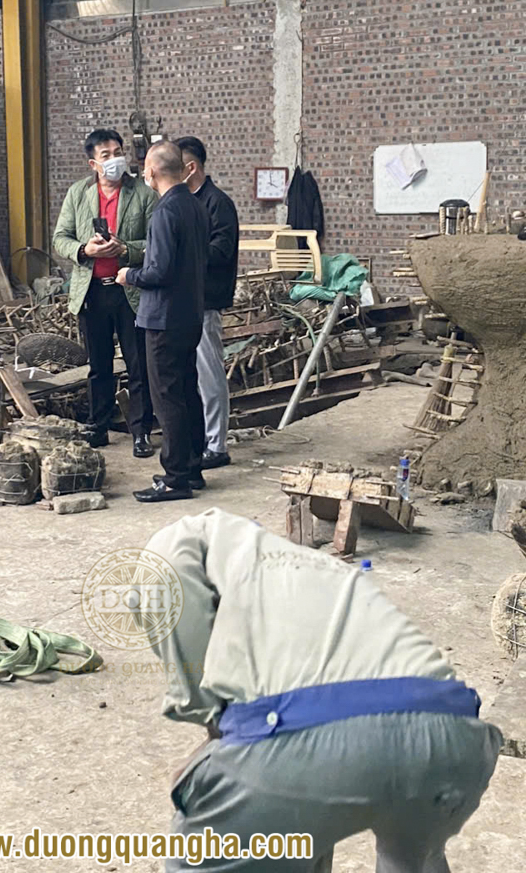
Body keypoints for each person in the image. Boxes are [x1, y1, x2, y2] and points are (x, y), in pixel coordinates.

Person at [137, 507, 502, 872]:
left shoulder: (176, 544)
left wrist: (213, 741)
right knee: (410, 858)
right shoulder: (308, 569)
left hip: (322, 748)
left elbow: (193, 665)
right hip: (457, 738)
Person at [53, 128, 156, 458]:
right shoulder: (78, 193)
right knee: (99, 366)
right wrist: (85, 250)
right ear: (93, 164)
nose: (114, 160)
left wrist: (125, 249)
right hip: (92, 293)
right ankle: (98, 427)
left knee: (138, 366)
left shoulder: (143, 194)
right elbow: (60, 238)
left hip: (130, 292)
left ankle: (141, 431)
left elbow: (156, 240)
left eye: (118, 152)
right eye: (106, 155)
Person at [116, 141, 209, 502]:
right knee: (187, 391)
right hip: (190, 313)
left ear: (152, 171)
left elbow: (160, 271)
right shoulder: (195, 205)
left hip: (163, 318)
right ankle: (192, 468)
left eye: (145, 168)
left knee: (167, 397)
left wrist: (129, 275)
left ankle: (175, 477)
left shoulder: (165, 211)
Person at [176, 136, 239, 470]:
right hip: (185, 300)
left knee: (209, 373)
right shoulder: (185, 201)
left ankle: (217, 445)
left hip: (206, 300)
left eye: (175, 165)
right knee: (192, 376)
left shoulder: (217, 203)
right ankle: (201, 439)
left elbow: (220, 251)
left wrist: (181, 253)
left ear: (191, 167)